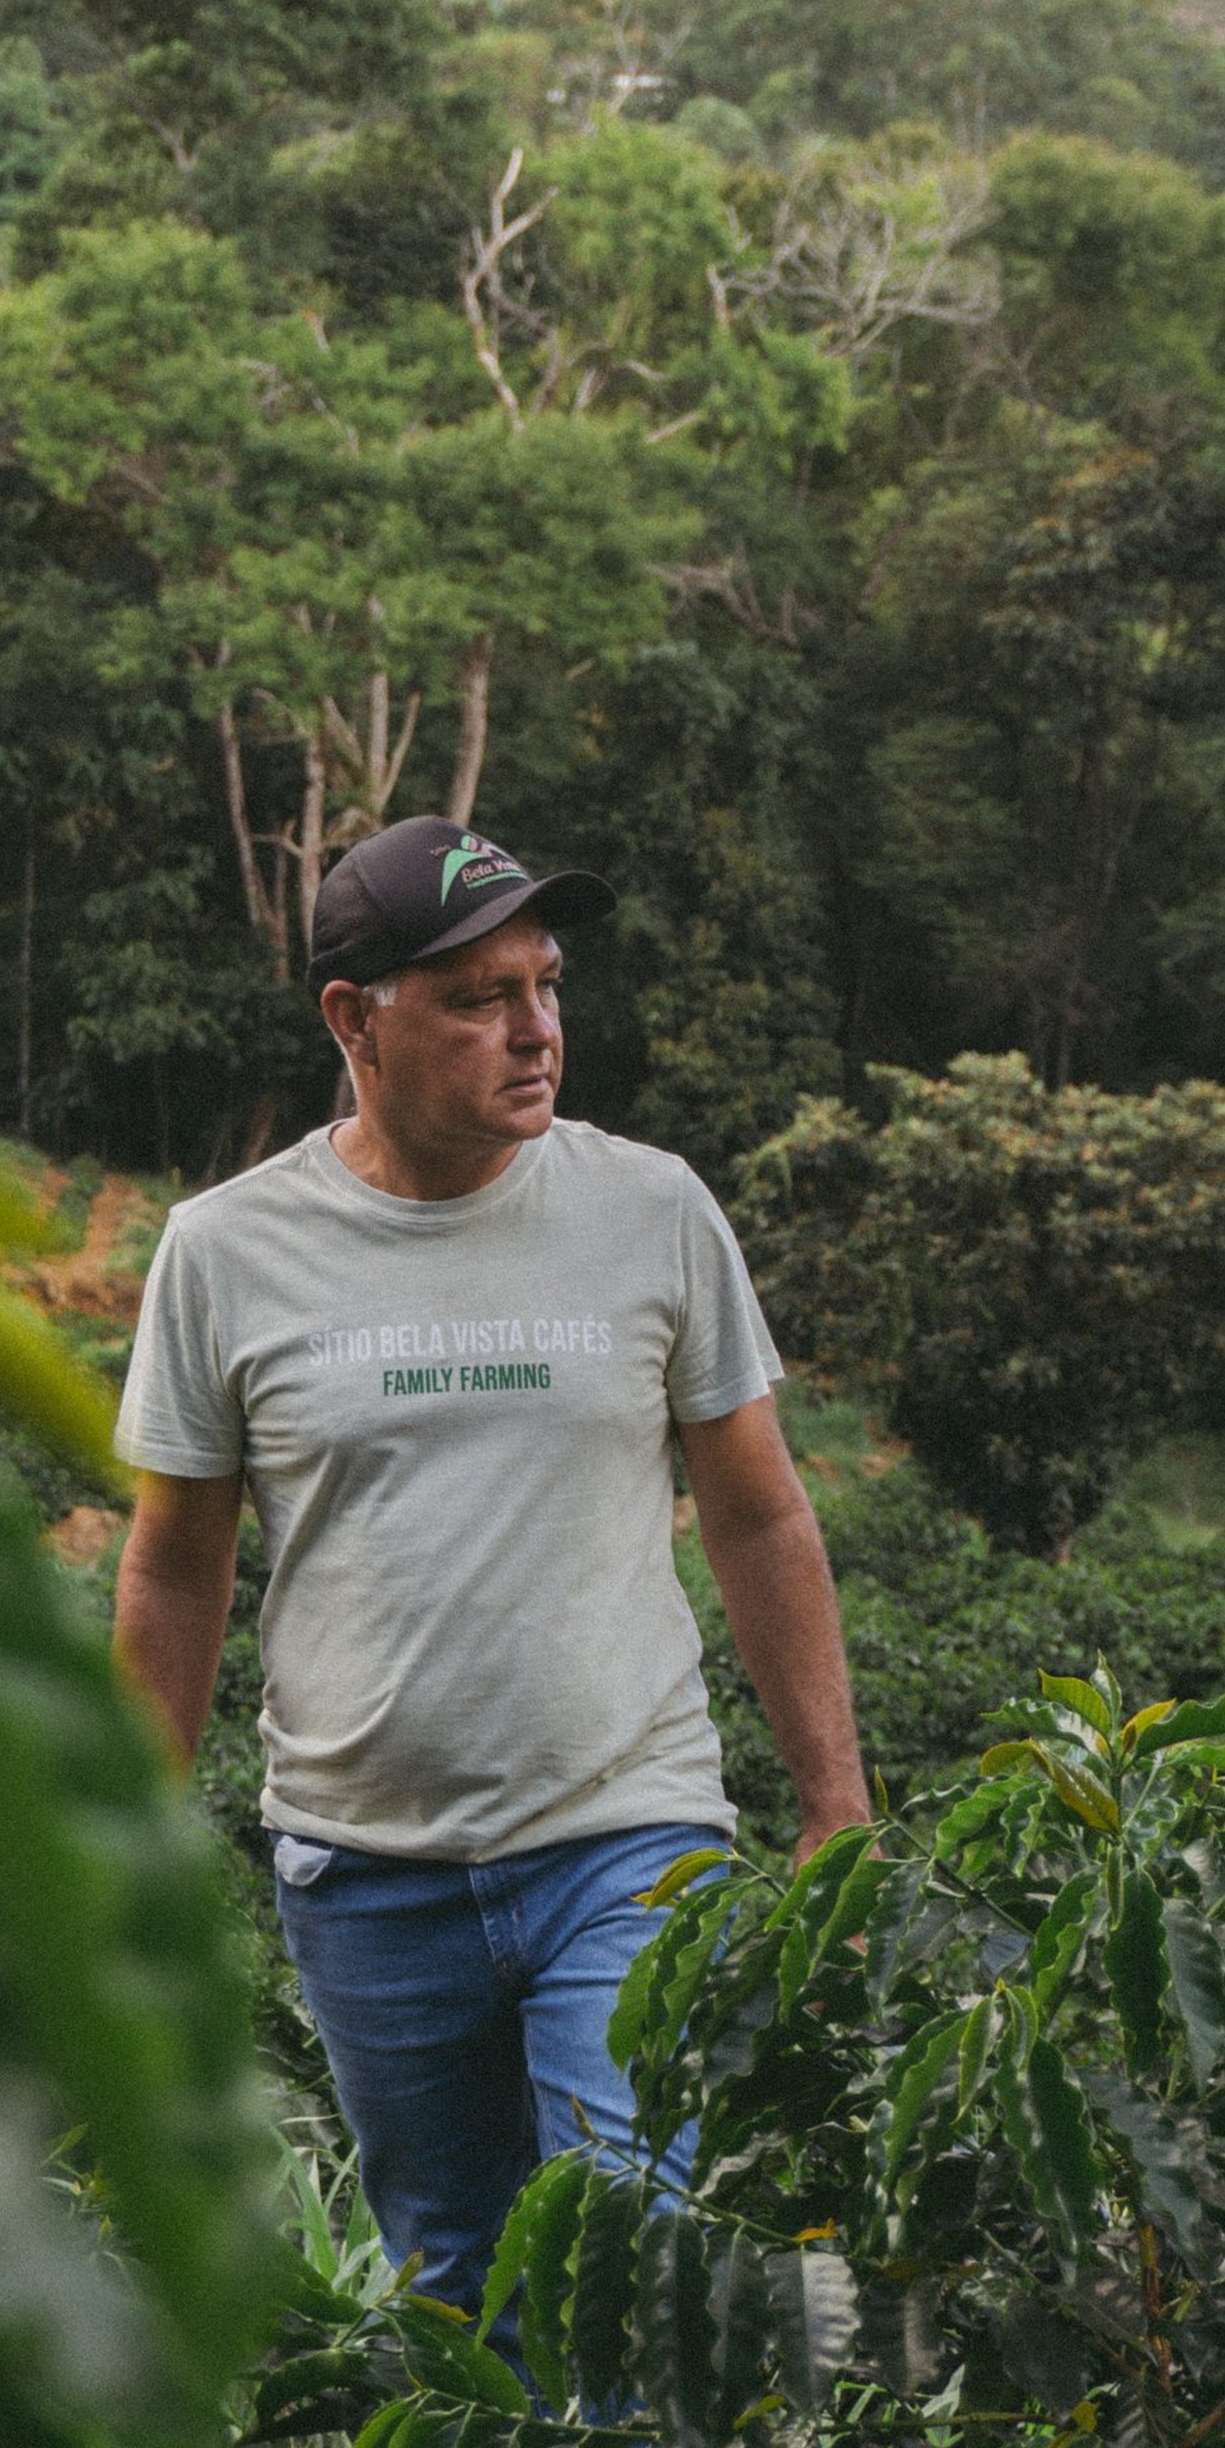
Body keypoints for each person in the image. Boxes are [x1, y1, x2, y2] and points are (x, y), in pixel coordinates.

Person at [114, 814, 870, 2322]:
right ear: (356, 1020)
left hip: (629, 1835)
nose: (538, 1033)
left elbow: (760, 1516)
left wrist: (836, 1802)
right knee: (461, 2295)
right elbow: (176, 1569)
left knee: (629, 2258)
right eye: (478, 1000)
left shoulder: (651, 1209)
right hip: (364, 1873)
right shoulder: (223, 1250)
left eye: (548, 986)